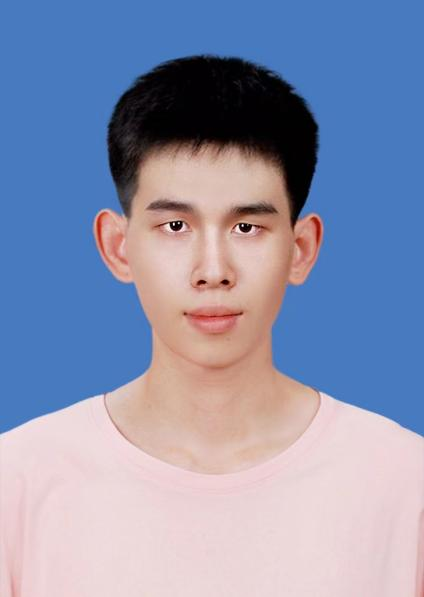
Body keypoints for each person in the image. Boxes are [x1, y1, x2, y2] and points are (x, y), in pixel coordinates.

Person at [1, 54, 423, 596]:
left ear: (301, 249)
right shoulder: (19, 481)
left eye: (247, 227)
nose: (213, 270)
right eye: (176, 225)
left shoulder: (403, 483)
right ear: (118, 246)